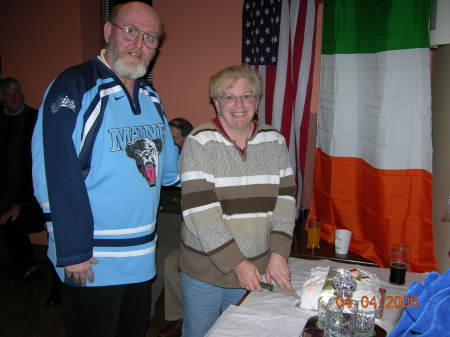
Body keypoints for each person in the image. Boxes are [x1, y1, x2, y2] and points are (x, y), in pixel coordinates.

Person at [31, 2, 179, 337]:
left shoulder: (151, 97)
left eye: (150, 37)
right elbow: (54, 171)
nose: (138, 44)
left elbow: (170, 169)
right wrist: (73, 250)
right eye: (130, 31)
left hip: (141, 257)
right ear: (108, 31)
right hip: (93, 259)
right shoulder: (75, 85)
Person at [178, 65, 296, 337]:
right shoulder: (200, 142)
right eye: (229, 97)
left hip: (258, 265)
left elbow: (285, 200)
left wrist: (278, 252)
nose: (239, 105)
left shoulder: (274, 141)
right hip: (204, 271)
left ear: (257, 101)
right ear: (216, 103)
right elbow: (201, 212)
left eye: (248, 96)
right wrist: (237, 263)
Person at [0, 77, 44, 285]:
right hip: (6, 190)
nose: (14, 98)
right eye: (9, 95)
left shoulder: (35, 120)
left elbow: (37, 167)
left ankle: (27, 266)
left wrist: (21, 202)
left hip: (31, 194)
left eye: (17, 93)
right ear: (2, 99)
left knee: (12, 221)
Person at [157, 118, 193, 337]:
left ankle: (177, 319)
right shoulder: (162, 154)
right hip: (159, 215)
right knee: (153, 257)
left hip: (178, 217)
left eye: (174, 139)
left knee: (164, 259)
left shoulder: (190, 157)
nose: (170, 144)